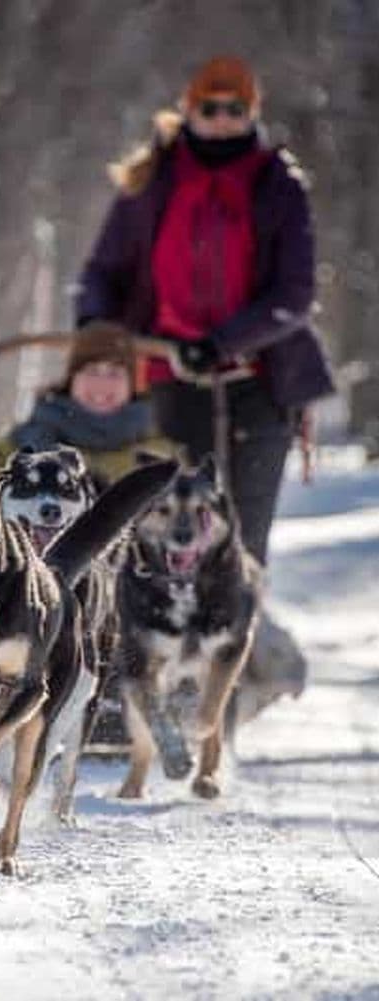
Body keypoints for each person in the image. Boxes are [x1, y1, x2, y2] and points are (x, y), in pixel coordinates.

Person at [76, 55, 335, 721]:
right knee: (161, 527)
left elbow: (295, 292)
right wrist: (96, 327)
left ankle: (223, 688)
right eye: (209, 108)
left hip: (259, 383)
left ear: (252, 113)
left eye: (234, 109)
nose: (221, 120)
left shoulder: (277, 184)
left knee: (238, 538)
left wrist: (223, 341)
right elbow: (103, 271)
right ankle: (142, 677)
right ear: (188, 109)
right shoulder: (152, 179)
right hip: (168, 379)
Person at [0, 322, 174, 497]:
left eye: (114, 373)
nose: (102, 384)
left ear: (132, 385)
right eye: (92, 371)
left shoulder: (157, 456)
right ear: (71, 379)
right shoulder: (27, 442)